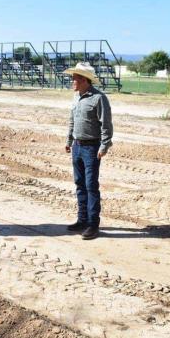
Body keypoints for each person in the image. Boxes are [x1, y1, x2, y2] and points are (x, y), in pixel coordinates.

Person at [63, 62, 113, 240]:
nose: (72, 81)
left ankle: (93, 224)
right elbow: (72, 120)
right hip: (77, 146)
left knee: (91, 186)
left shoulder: (99, 98)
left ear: (84, 79)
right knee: (79, 184)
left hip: (92, 148)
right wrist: (69, 140)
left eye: (75, 78)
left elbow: (106, 125)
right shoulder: (76, 97)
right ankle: (82, 220)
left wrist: (104, 146)